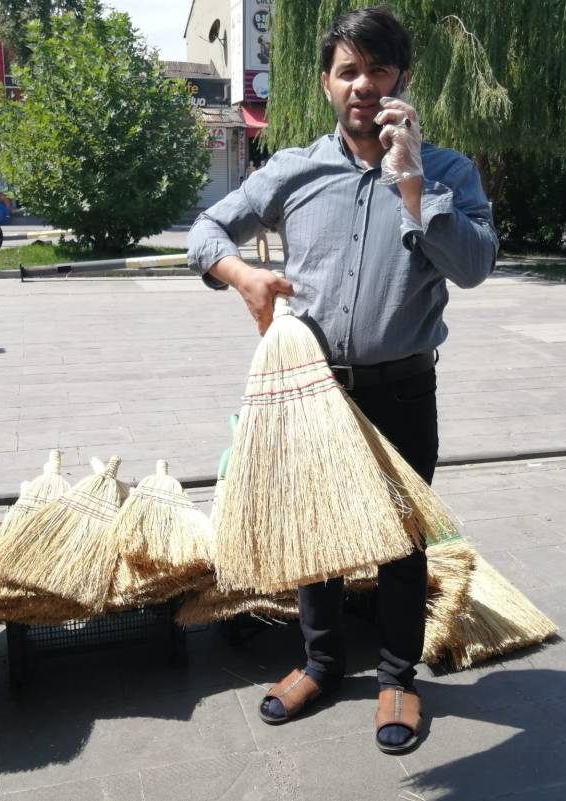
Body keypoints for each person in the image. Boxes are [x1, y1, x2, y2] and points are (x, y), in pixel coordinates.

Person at [186, 7, 497, 754]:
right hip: (311, 390)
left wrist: (414, 184)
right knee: (313, 531)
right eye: (348, 71)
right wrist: (243, 275)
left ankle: (397, 677)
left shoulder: (449, 170)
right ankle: (321, 662)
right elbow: (205, 231)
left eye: (378, 70)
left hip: (401, 389)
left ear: (402, 81)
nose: (363, 85)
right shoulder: (293, 169)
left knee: (399, 541)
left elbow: (475, 266)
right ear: (326, 82)